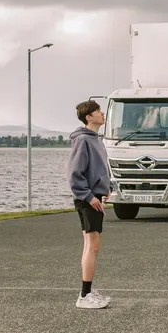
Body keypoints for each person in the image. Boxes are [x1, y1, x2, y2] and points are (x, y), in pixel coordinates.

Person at [68, 99, 112, 310]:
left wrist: (107, 186)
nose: (102, 113)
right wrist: (89, 196)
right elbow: (74, 175)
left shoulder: (96, 139)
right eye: (97, 111)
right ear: (89, 117)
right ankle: (84, 296)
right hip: (88, 199)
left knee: (91, 245)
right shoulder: (83, 141)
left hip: (95, 195)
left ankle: (87, 292)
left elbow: (99, 168)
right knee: (92, 246)